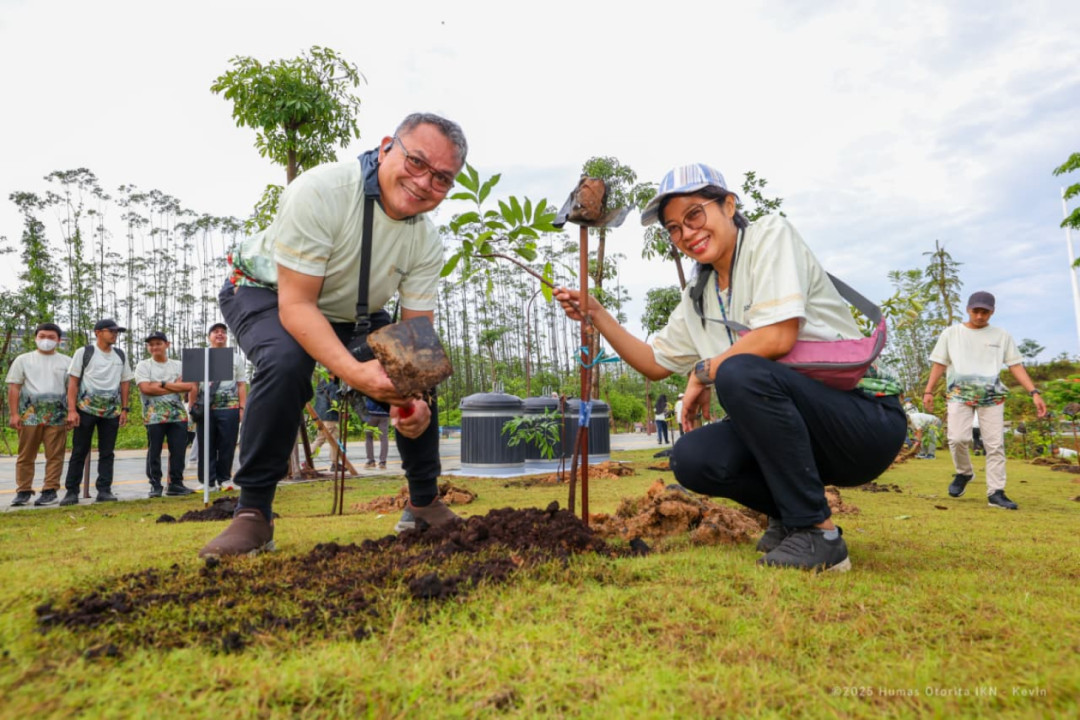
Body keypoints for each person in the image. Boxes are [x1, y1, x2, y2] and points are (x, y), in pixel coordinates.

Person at [555, 163, 906, 572]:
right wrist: (596, 313)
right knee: (693, 457)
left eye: (694, 215)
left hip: (862, 421)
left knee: (739, 370)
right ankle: (791, 516)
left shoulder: (768, 236)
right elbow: (653, 364)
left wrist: (704, 372)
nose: (686, 233)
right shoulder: (699, 294)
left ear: (728, 204)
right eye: (673, 228)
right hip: (802, 437)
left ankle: (818, 535)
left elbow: (777, 338)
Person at [198, 112, 468, 558]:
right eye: (417, 162)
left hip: (351, 311)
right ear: (386, 148)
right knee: (286, 362)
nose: (424, 183)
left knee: (418, 363)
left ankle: (423, 503)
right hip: (267, 291)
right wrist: (356, 374)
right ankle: (253, 514)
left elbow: (418, 335)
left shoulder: (426, 239)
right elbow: (298, 306)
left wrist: (413, 399)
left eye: (442, 179)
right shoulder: (321, 190)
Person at [924, 291, 1047, 510]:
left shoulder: (1001, 335)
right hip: (959, 394)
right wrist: (929, 391)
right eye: (976, 311)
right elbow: (939, 363)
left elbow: (1015, 365)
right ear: (968, 309)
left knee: (995, 444)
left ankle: (996, 493)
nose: (980, 316)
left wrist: (1034, 392)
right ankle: (964, 472)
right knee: (957, 438)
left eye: (985, 312)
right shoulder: (951, 333)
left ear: (992, 312)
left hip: (992, 396)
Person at [61, 319, 135, 505]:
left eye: (117, 331)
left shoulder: (120, 355)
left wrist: (125, 409)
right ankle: (71, 491)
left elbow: (125, 382)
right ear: (98, 332)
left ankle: (104, 490)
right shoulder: (85, 353)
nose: (115, 334)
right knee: (79, 450)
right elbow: (73, 382)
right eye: (111, 331)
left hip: (111, 412)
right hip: (85, 409)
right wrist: (72, 410)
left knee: (107, 452)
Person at [6, 322, 70, 507]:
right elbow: (14, 387)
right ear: (36, 337)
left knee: (55, 455)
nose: (46, 341)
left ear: (58, 340)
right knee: (26, 455)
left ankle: (50, 490)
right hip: (29, 415)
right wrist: (14, 414)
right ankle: (23, 490)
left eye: (51, 337)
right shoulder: (23, 360)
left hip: (57, 415)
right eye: (42, 336)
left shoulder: (67, 361)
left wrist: (72, 412)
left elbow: (72, 388)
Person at [134, 331, 196, 497]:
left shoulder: (178, 365)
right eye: (151, 344)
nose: (155, 347)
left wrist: (160, 384)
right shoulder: (143, 366)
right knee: (154, 450)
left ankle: (176, 483)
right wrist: (172, 385)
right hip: (154, 416)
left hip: (178, 415)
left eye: (158, 343)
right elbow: (145, 388)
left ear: (167, 345)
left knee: (178, 450)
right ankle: (155, 485)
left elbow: (189, 386)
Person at [188, 322, 248, 491]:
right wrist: (192, 406)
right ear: (209, 337)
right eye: (215, 332)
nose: (220, 334)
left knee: (227, 444)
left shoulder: (235, 358)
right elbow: (194, 384)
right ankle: (207, 481)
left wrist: (242, 407)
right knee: (205, 445)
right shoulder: (200, 356)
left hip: (229, 408)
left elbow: (241, 384)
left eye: (223, 332)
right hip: (205, 408)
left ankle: (225, 479)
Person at [311, 373, 342, 469]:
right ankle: (309, 459)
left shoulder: (321, 383)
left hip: (319, 415)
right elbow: (334, 401)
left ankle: (335, 463)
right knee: (327, 439)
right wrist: (342, 411)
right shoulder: (333, 385)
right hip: (330, 416)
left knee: (328, 439)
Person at [363, 396, 390, 469]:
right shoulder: (387, 384)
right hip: (384, 413)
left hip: (370, 413)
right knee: (384, 437)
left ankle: (370, 461)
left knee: (369, 437)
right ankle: (383, 462)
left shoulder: (369, 385)